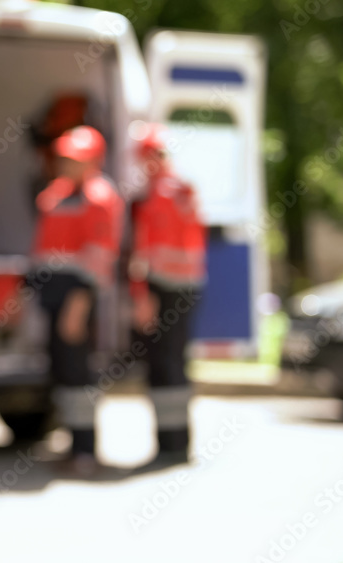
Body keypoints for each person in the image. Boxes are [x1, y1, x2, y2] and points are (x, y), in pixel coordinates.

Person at [31, 125, 122, 476]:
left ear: (95, 160)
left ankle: (86, 450)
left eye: (75, 159)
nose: (67, 165)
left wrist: (79, 305)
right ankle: (72, 444)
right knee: (62, 372)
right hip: (53, 294)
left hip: (76, 297)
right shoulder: (57, 193)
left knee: (77, 372)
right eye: (65, 158)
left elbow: (100, 257)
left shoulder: (99, 197)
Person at [129, 123, 207, 467]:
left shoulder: (154, 196)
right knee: (173, 364)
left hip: (161, 289)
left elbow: (142, 252)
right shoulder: (184, 190)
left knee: (164, 366)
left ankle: (169, 447)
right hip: (186, 288)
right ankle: (176, 445)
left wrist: (140, 295)